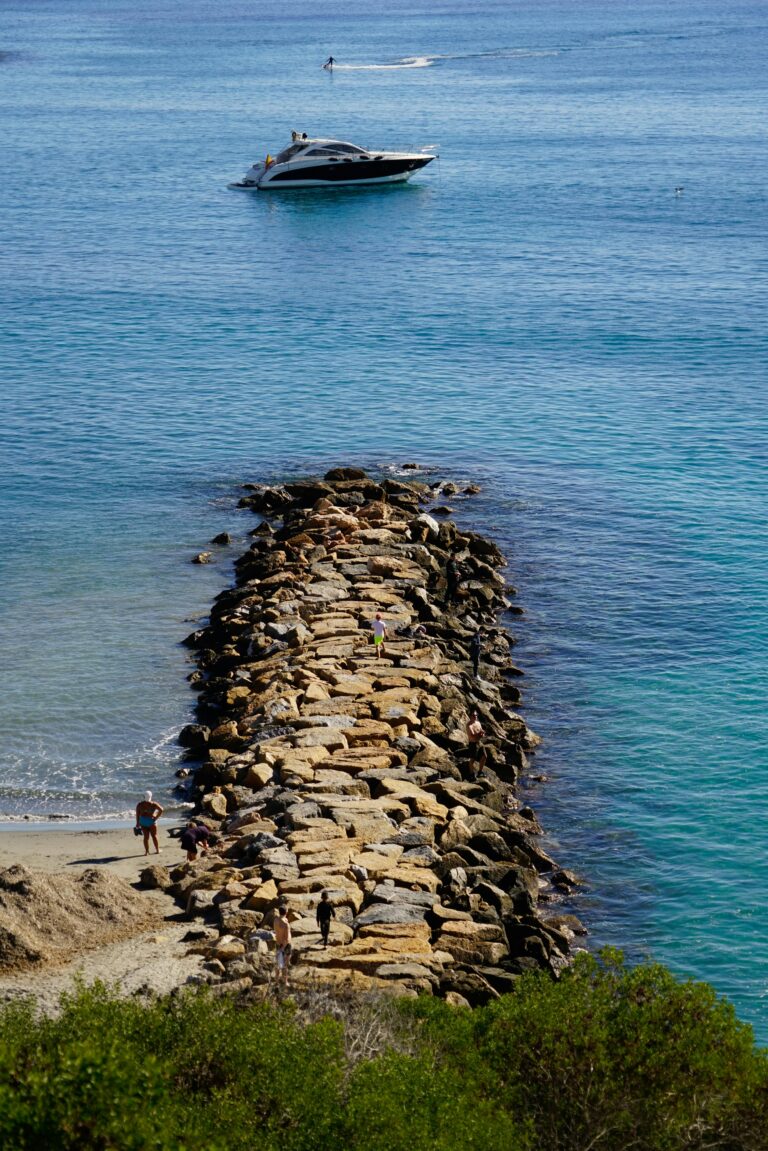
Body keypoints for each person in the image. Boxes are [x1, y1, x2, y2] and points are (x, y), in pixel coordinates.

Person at [135, 791, 163, 856]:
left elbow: (137, 814)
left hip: (143, 822)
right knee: (154, 836)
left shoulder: (139, 804)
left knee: (146, 837)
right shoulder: (153, 804)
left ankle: (146, 852)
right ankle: (157, 850)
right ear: (151, 796)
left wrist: (137, 823)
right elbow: (161, 810)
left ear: (144, 796)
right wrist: (156, 817)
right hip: (151, 821)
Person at [273, 904, 292, 987]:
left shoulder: (276, 920)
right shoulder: (286, 924)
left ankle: (276, 981)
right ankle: (285, 982)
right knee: (285, 965)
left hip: (278, 943)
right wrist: (283, 948)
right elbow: (287, 939)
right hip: (285, 946)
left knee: (278, 963)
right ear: (286, 912)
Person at [466, 711, 488, 778]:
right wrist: (480, 734)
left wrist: (483, 733)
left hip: (479, 742)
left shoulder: (478, 723)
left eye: (476, 715)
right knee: (472, 759)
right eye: (473, 715)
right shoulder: (469, 725)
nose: (475, 716)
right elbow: (472, 735)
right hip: (473, 744)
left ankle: (480, 772)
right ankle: (471, 774)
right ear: (470, 716)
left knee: (484, 756)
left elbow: (481, 730)